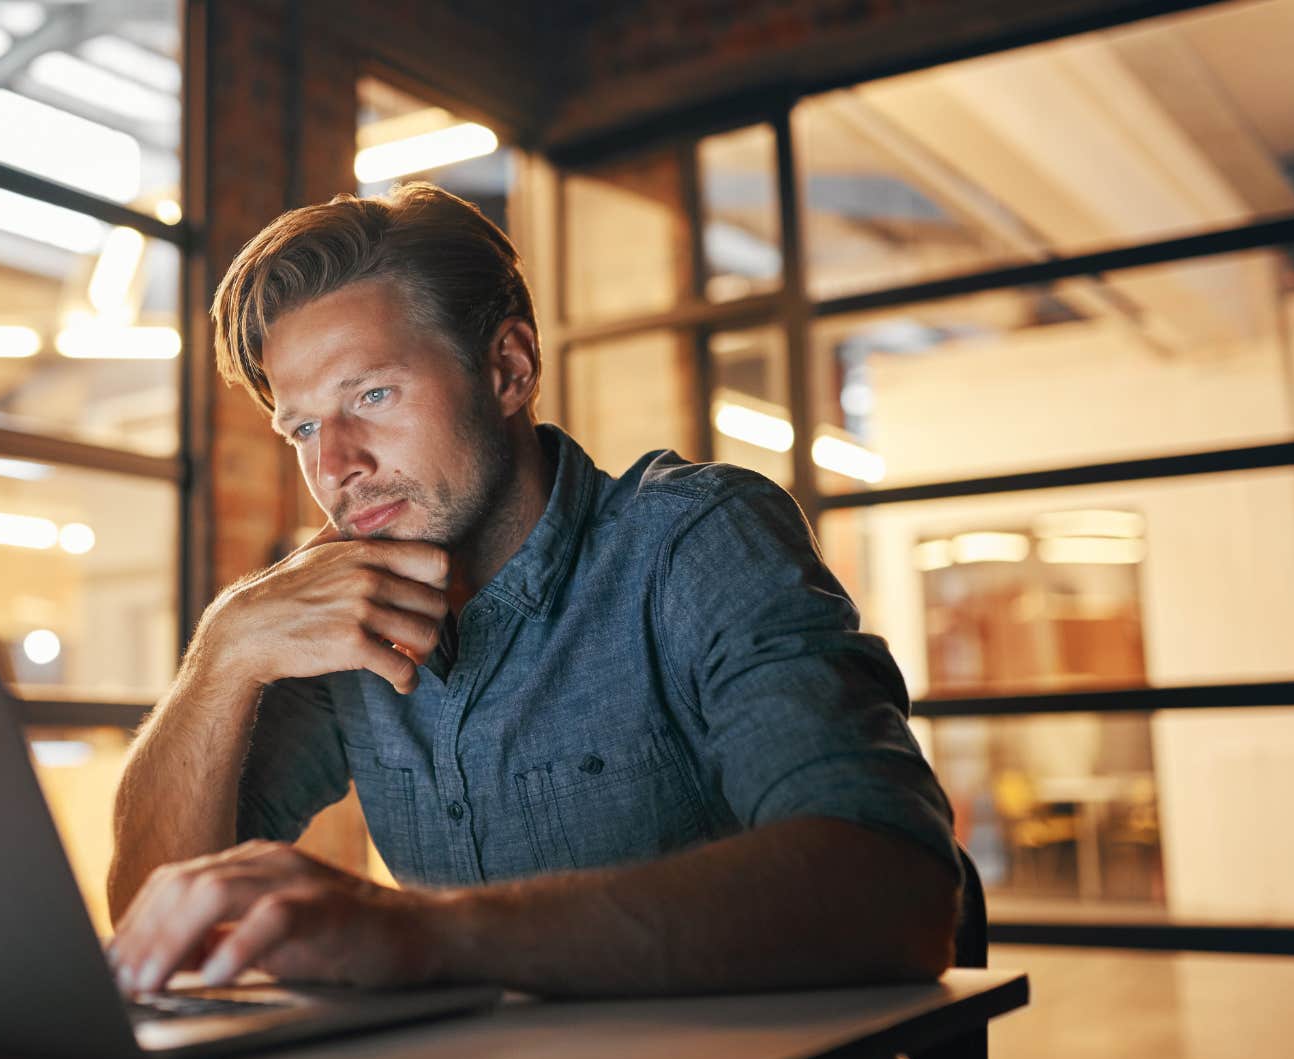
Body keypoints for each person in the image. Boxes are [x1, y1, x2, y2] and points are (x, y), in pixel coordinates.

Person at [105, 182, 959, 999]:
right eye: (302, 428)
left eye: (372, 394)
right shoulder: (339, 608)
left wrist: (427, 936)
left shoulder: (692, 543)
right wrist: (221, 655)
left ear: (509, 369)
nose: (335, 467)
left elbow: (896, 890)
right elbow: (155, 917)